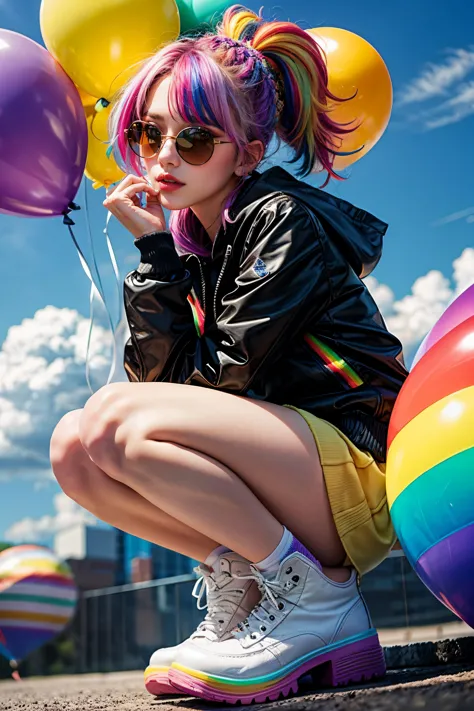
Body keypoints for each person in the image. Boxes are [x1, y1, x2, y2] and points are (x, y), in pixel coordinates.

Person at [50, 4, 408, 703]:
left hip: (357, 477)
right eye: (149, 133)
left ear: (245, 151)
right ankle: (246, 583)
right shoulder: (194, 242)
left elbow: (222, 385)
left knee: (111, 419)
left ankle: (318, 600)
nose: (161, 158)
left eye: (193, 138)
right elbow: (161, 387)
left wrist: (159, 253)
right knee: (74, 447)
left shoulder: (278, 218)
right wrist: (159, 254)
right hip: (293, 476)